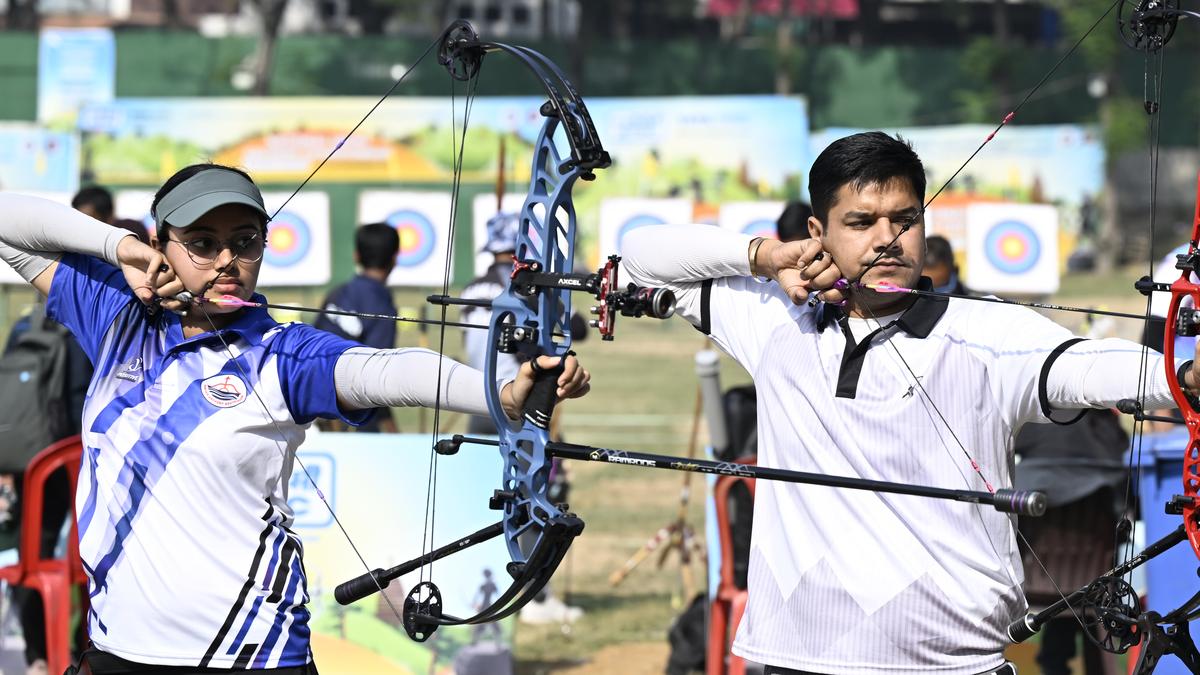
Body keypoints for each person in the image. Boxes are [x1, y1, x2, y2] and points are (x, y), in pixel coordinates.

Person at [621, 131, 1195, 675]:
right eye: (861, 222)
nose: (886, 238)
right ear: (819, 232)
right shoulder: (775, 318)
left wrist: (1185, 376)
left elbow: (1090, 367)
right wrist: (765, 256)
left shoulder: (984, 332)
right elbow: (641, 256)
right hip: (796, 657)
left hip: (950, 665)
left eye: (905, 219)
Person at [0, 162, 590, 674]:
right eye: (201, 243)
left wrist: (502, 395)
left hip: (250, 652)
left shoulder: (282, 355)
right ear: (163, 244)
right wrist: (117, 248)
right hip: (118, 649)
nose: (227, 259)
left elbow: (386, 370)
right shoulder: (114, 316)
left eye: (245, 240)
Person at [314, 222, 401, 432]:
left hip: (309, 403)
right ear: (394, 259)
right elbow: (377, 375)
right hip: (347, 415)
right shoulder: (382, 305)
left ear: (356, 256)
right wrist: (392, 430)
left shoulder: (337, 293)